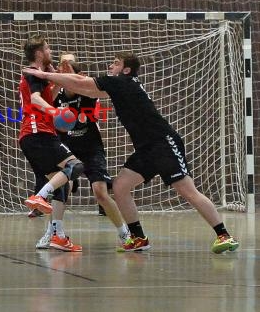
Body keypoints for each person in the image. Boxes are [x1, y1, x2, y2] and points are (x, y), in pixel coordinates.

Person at [23, 51, 240, 254]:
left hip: (163, 143)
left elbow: (80, 82)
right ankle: (138, 238)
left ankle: (224, 235)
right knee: (120, 186)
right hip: (145, 149)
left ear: (126, 70)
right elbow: (85, 88)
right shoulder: (116, 86)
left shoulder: (122, 82)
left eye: (116, 63)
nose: (111, 65)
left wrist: (42, 74)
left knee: (186, 190)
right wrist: (54, 79)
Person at [34, 53, 129, 250]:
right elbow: (47, 101)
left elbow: (83, 90)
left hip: (91, 148)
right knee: (61, 187)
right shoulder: (55, 95)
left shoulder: (87, 93)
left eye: (70, 75)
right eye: (63, 74)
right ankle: (53, 232)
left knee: (101, 193)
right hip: (67, 147)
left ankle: (124, 233)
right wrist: (58, 80)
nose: (66, 78)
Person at [19, 34, 84, 252]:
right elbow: (37, 100)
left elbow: (45, 97)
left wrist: (57, 79)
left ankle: (57, 234)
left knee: (62, 185)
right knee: (74, 166)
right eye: (47, 49)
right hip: (38, 132)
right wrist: (55, 111)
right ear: (38, 53)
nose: (50, 52)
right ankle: (40, 195)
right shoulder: (33, 73)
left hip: (37, 134)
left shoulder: (39, 76)